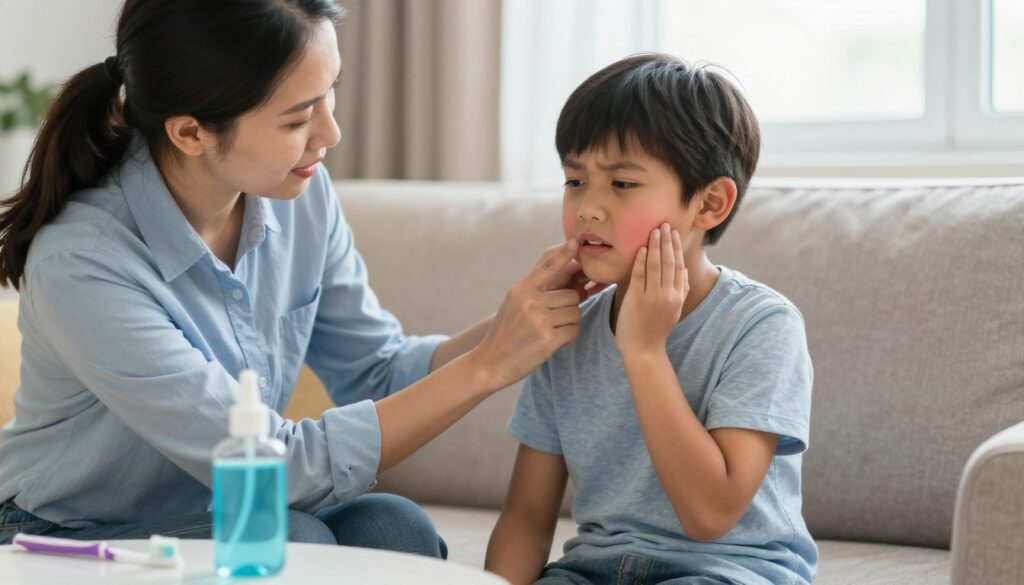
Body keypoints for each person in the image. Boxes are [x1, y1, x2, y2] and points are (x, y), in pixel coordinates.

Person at [0, 0, 597, 556]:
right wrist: (490, 366)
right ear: (190, 132)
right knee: (291, 532)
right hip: (67, 535)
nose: (330, 134)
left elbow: (379, 372)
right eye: (297, 118)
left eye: (329, 93)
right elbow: (278, 467)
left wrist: (523, 317)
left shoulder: (298, 197)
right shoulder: (84, 263)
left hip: (228, 511)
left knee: (394, 526)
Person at [485, 53, 817, 584]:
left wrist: (643, 350)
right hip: (591, 571)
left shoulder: (762, 326)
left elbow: (710, 515)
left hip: (726, 571)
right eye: (575, 180)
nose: (588, 208)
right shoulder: (567, 328)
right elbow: (526, 517)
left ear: (709, 204)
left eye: (621, 184)